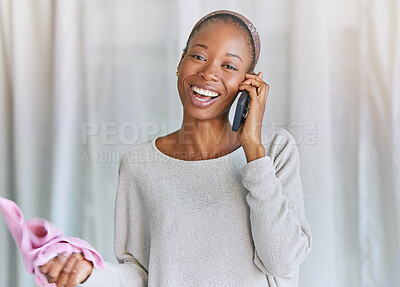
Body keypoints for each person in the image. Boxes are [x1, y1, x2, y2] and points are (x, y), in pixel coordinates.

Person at [39, 10, 312, 287]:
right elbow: (141, 273)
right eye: (198, 57)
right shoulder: (139, 165)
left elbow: (282, 262)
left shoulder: (274, 150)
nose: (208, 73)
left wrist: (253, 151)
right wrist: (90, 275)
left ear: (248, 83)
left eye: (229, 66)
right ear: (181, 62)